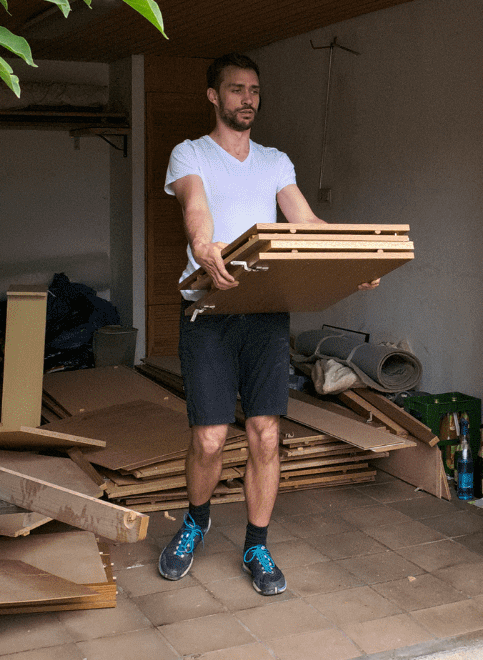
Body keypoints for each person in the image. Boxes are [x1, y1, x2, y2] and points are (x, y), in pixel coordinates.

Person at [157, 52, 375, 595]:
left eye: (254, 90)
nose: (247, 98)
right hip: (208, 309)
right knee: (208, 440)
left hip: (264, 312)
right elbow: (196, 207)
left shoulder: (276, 161)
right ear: (214, 96)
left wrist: (358, 259)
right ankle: (196, 520)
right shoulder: (190, 153)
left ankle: (256, 542)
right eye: (235, 89)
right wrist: (203, 247)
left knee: (266, 433)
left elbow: (306, 224)